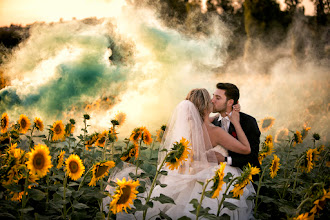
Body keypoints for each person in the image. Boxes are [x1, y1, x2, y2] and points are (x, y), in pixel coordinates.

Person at [148, 88, 255, 219]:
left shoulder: (187, 127)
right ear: (207, 107)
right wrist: (236, 123)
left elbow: (204, 119)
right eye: (211, 100)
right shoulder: (215, 132)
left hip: (189, 173)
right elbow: (246, 149)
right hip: (211, 176)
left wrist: (217, 115)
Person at [210, 83, 261, 183]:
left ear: (230, 102)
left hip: (245, 179)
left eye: (218, 98)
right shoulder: (213, 122)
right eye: (213, 96)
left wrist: (225, 159)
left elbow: (252, 156)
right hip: (217, 178)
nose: (212, 100)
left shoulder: (248, 121)